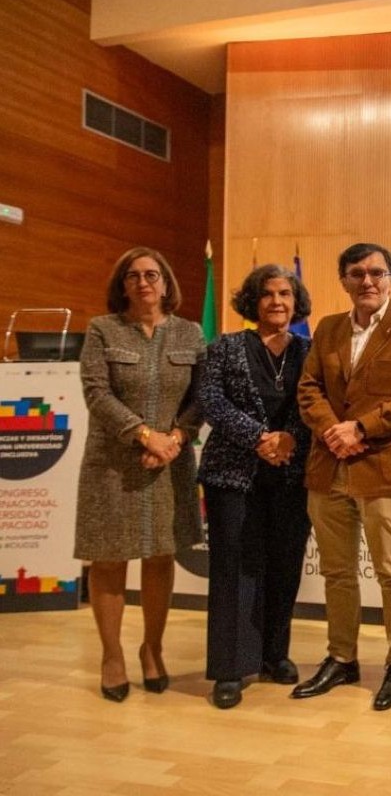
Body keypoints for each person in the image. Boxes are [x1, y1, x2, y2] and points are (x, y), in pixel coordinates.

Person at [292, 242, 391, 711]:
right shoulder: (328, 328)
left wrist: (360, 428)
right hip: (328, 465)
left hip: (382, 467)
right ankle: (342, 658)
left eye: (377, 272)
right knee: (337, 573)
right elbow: (309, 388)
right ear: (344, 281)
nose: (367, 281)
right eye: (356, 273)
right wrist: (332, 431)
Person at [75, 246, 205, 702]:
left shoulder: (190, 332)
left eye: (152, 274)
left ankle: (153, 648)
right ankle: (112, 656)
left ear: (166, 283)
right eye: (133, 276)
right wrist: (145, 436)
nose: (143, 282)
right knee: (109, 559)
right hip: (112, 464)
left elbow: (201, 398)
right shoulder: (103, 329)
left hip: (170, 461)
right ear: (122, 285)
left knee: (160, 556)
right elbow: (96, 392)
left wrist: (175, 439)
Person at [197, 264, 313, 709]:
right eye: (267, 294)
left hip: (292, 474)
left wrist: (289, 439)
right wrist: (259, 438)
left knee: (285, 566)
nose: (277, 302)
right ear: (253, 301)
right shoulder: (224, 347)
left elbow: (317, 402)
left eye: (285, 294)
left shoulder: (310, 350)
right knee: (234, 570)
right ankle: (230, 667)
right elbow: (211, 400)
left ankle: (273, 655)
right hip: (232, 474)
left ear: (296, 302)